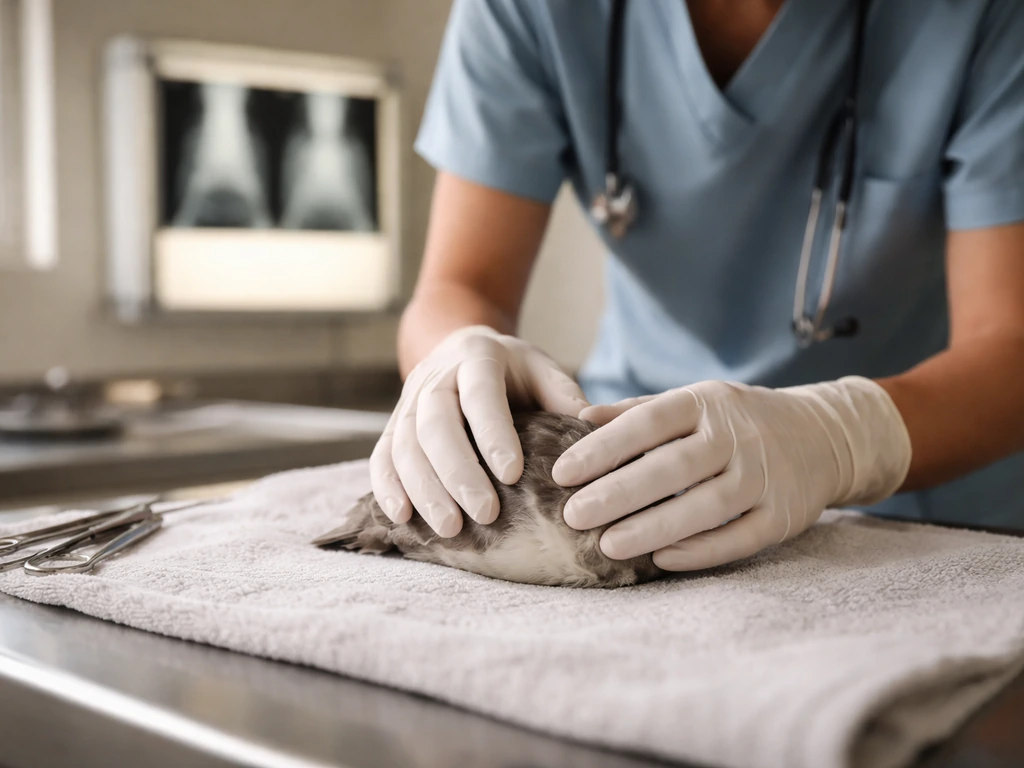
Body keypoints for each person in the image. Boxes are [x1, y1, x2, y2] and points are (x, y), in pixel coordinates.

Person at [369, 0, 1024, 572]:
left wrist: (843, 438)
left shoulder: (984, 16)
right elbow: (461, 282)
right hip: (622, 488)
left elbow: (1011, 343)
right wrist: (456, 358)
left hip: (929, 503)